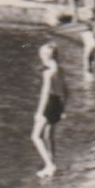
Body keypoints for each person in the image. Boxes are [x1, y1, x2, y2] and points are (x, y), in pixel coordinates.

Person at [32, 41, 67, 178]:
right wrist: (63, 108)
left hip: (49, 103)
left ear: (46, 56)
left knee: (36, 136)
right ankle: (53, 163)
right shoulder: (61, 70)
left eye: (41, 55)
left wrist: (39, 112)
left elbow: (45, 93)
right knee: (49, 136)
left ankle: (49, 165)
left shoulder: (48, 73)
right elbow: (67, 92)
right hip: (58, 103)